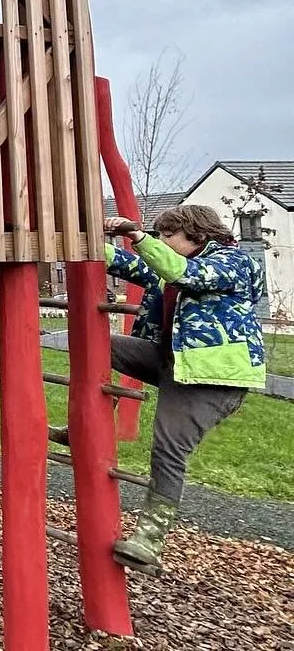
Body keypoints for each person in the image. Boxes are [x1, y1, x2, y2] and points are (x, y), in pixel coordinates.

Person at [98, 206, 265, 572]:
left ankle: (149, 540)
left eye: (167, 236)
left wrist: (138, 235)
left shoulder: (233, 263)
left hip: (214, 377)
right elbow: (133, 266)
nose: (161, 242)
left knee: (168, 449)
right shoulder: (173, 260)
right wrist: (90, 241)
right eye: (158, 236)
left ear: (196, 236)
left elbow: (184, 274)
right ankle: (85, 428)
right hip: (174, 360)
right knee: (96, 343)